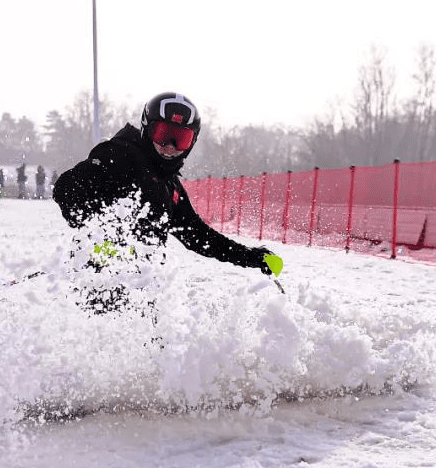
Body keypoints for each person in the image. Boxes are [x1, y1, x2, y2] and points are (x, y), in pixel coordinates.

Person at [53, 91, 279, 314]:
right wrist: (104, 235)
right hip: (100, 277)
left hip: (142, 285)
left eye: (181, 139)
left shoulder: (168, 186)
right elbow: (66, 189)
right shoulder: (119, 155)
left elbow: (198, 236)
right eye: (163, 134)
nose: (170, 146)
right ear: (147, 128)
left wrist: (251, 256)